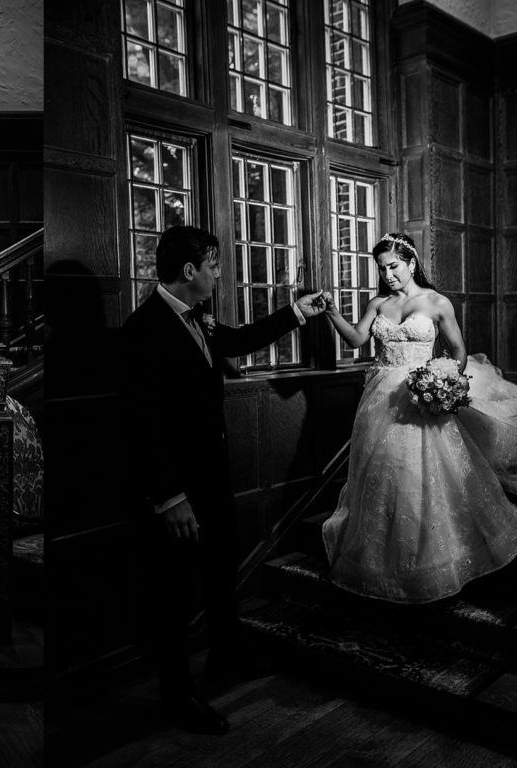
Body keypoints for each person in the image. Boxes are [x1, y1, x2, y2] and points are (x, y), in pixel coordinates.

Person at [120, 225, 328, 735]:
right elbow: (142, 421)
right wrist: (169, 497)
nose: (218, 272)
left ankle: (226, 656)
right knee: (171, 593)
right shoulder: (143, 329)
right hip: (177, 491)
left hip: (213, 477)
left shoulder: (199, 319)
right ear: (189, 270)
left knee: (219, 572)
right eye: (213, 264)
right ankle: (176, 695)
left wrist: (297, 311)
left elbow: (240, 339)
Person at [320, 232, 517, 604]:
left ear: (411, 263)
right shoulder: (378, 304)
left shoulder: (436, 302)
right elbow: (355, 339)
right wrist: (333, 311)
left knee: (423, 474)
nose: (388, 275)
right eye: (382, 269)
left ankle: (433, 558)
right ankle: (384, 563)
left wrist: (442, 379)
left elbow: (459, 351)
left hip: (421, 396)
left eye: (394, 266)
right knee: (382, 474)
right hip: (381, 398)